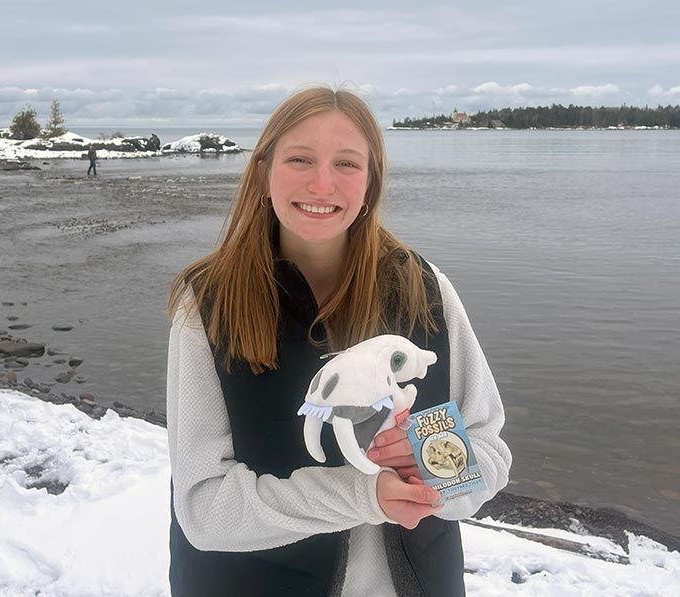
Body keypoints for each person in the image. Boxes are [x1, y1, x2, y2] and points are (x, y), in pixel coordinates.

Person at [166, 85, 512, 597]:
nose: (322, 183)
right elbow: (205, 507)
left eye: (347, 164)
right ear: (263, 173)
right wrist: (365, 494)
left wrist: (435, 464)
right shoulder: (210, 304)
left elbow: (490, 449)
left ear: (370, 182)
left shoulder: (423, 288)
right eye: (300, 159)